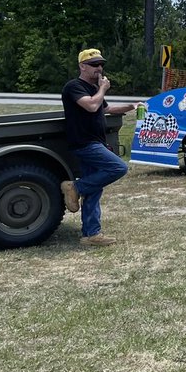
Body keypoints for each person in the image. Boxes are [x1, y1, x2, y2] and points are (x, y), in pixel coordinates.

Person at [60, 48, 138, 247]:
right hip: (85, 143)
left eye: (101, 64)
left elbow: (105, 109)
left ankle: (91, 234)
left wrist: (131, 107)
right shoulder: (74, 86)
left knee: (94, 188)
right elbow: (91, 106)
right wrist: (103, 88)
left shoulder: (95, 90)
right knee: (119, 167)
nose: (99, 68)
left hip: (95, 141)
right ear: (82, 66)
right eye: (94, 65)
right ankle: (74, 187)